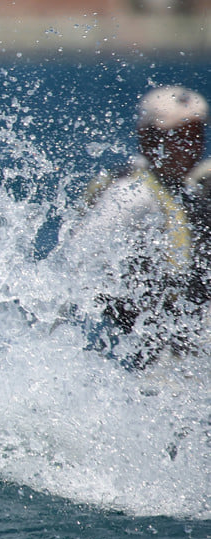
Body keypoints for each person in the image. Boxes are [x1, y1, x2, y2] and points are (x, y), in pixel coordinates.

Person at [72, 85, 207, 365]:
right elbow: (80, 268)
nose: (189, 147)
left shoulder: (184, 189)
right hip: (141, 352)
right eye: (177, 136)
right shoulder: (131, 196)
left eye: (195, 135)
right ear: (147, 139)